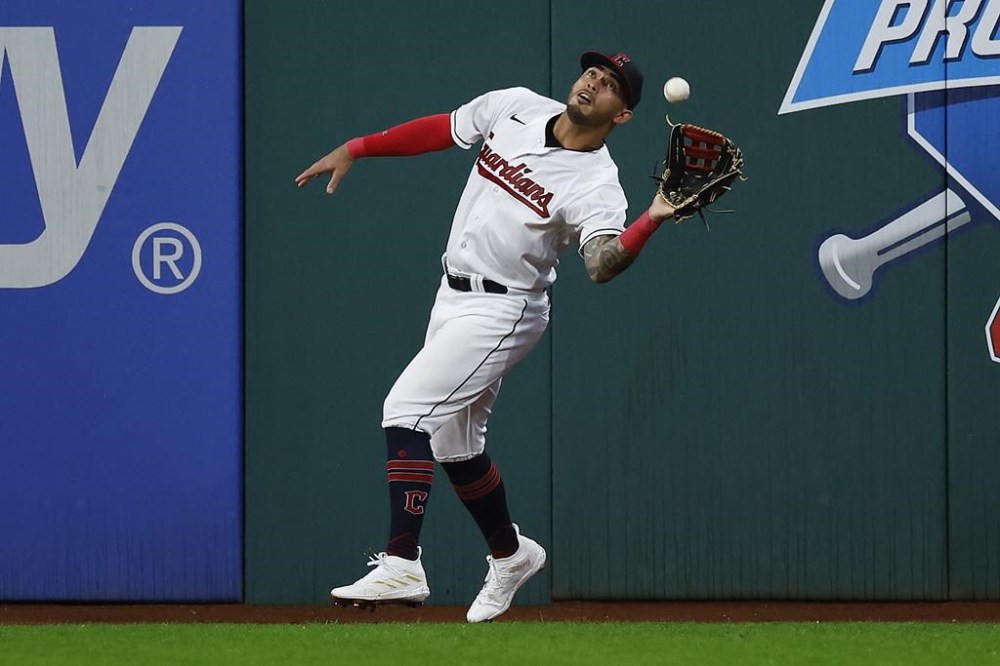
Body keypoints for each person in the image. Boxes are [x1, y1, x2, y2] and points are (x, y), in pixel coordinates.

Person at [295, 50, 676, 623]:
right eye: (593, 73)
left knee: (406, 410)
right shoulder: (516, 106)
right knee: (454, 445)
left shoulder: (598, 183)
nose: (594, 83)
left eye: (611, 85)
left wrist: (651, 218)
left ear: (622, 115)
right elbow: (442, 129)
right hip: (451, 293)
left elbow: (600, 263)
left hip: (505, 311)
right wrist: (357, 147)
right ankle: (511, 553)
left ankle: (403, 561)